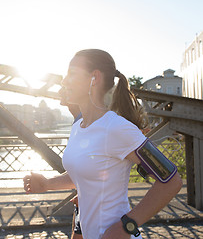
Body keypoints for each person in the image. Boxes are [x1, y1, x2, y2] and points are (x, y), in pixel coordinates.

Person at [24, 49, 182, 238]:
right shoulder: (79, 127)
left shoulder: (115, 127)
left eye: (71, 73)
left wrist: (127, 225)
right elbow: (86, 173)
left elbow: (171, 180)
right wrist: (46, 185)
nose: (64, 81)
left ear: (94, 78)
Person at [59, 87, 83, 239]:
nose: (61, 86)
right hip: (83, 204)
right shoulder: (79, 121)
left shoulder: (84, 123)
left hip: (92, 208)